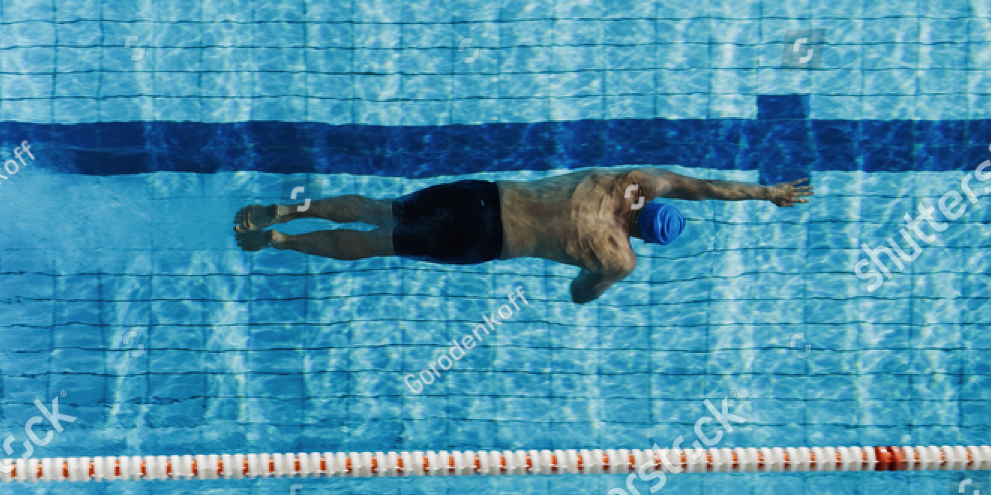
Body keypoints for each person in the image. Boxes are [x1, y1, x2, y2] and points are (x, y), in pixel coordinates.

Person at [234, 168, 812, 303]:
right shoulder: (621, 258)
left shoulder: (627, 183)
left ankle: (282, 213)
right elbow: (577, 296)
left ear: (651, 202)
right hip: (487, 242)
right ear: (650, 239)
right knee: (377, 244)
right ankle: (280, 244)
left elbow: (703, 187)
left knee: (378, 208)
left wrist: (767, 194)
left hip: (484, 196)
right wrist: (600, 274)